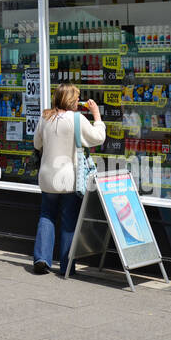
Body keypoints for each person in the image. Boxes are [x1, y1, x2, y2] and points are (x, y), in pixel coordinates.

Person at [32, 83, 106, 277]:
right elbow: (98, 137)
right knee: (68, 221)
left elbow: (36, 143)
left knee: (46, 215)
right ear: (72, 101)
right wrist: (96, 114)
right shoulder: (76, 119)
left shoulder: (45, 117)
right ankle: (66, 266)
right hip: (69, 179)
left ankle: (41, 258)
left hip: (48, 178)